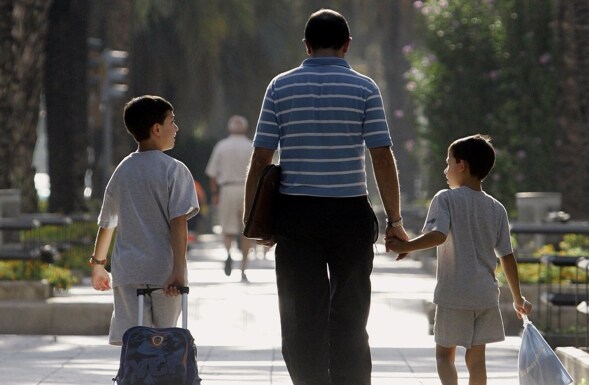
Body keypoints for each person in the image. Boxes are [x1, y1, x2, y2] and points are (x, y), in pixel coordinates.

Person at [243, 9, 408, 385]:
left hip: (295, 215)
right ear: (347, 46)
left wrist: (254, 221)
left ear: (307, 45)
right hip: (350, 213)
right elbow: (381, 155)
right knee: (351, 314)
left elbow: (261, 156)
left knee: (301, 316)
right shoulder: (365, 88)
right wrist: (395, 221)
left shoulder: (279, 87)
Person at [387, 134, 533, 385]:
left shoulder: (445, 199)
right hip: (485, 295)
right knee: (476, 361)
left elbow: (437, 235)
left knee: (444, 355)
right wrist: (518, 297)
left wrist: (407, 245)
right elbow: (507, 256)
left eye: (448, 162)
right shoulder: (497, 208)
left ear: (462, 166)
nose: (446, 169)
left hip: (454, 293)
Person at [90, 95, 199, 345]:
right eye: (172, 121)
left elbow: (107, 222)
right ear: (157, 129)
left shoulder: (123, 170)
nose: (176, 128)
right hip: (165, 273)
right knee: (165, 340)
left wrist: (98, 265)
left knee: (134, 342)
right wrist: (178, 271)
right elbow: (178, 224)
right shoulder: (175, 170)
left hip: (128, 271)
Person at [205, 115, 253, 282]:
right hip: (247, 190)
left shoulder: (222, 146)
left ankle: (228, 253)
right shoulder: (251, 146)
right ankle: (243, 269)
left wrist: (215, 194)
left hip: (227, 188)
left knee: (227, 228)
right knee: (246, 230)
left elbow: (212, 174)